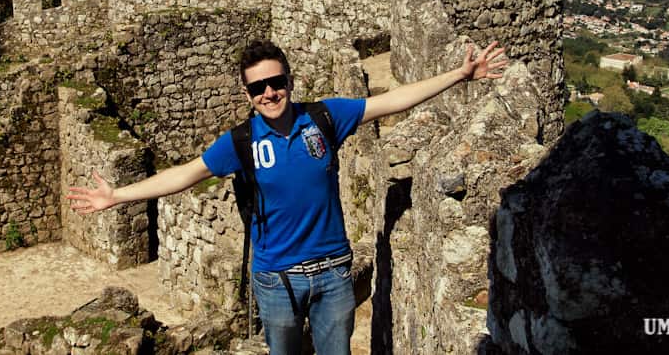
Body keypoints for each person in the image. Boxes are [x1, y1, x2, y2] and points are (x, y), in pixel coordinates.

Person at [68, 39, 507, 355]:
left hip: (334, 275)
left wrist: (460, 75)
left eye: (275, 83)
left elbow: (391, 102)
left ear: (289, 81)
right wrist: (117, 196)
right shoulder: (240, 143)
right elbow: (186, 174)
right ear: (247, 94)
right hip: (276, 282)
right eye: (257, 89)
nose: (268, 94)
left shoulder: (324, 118)